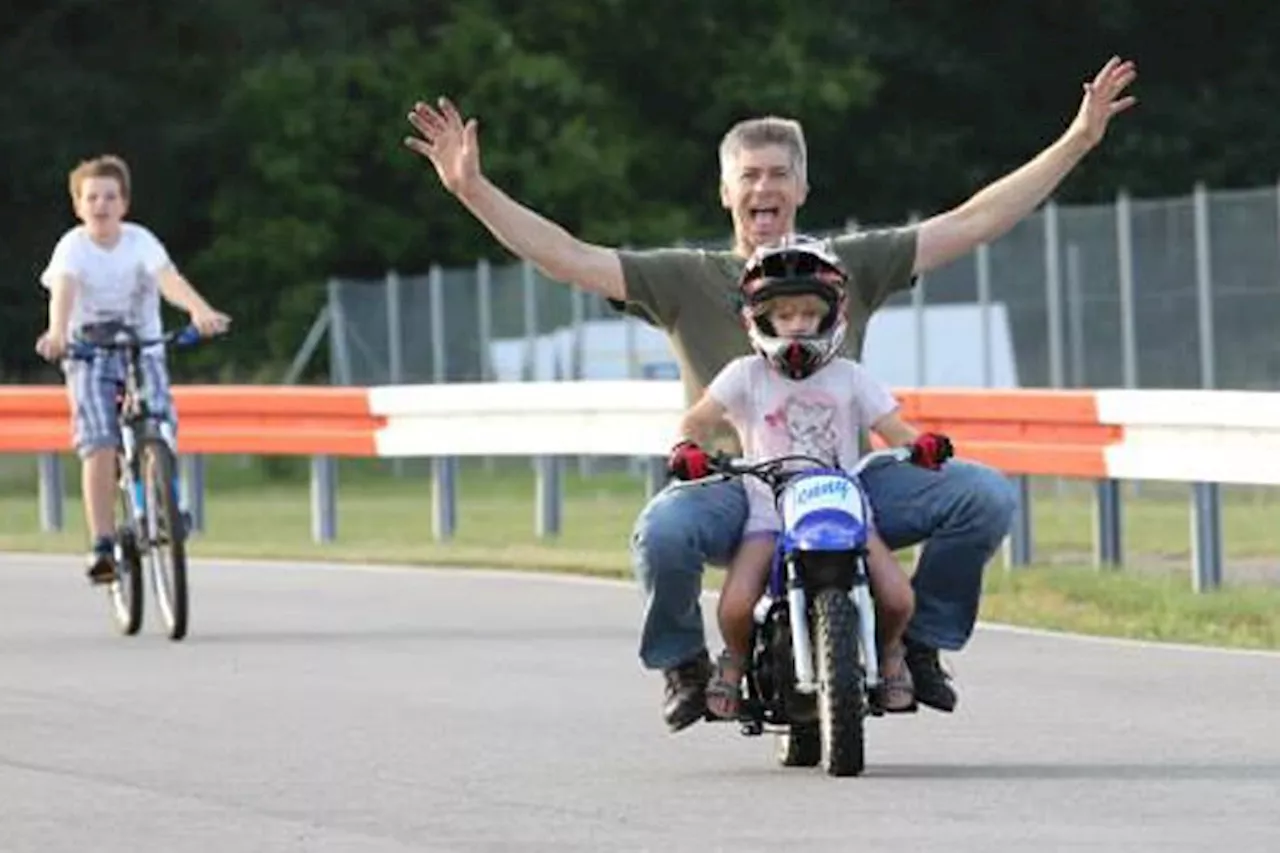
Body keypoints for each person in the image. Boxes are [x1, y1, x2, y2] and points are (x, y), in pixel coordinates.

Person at [404, 56, 1137, 731]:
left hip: (846, 479)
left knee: (983, 494)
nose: (764, 187)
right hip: (737, 485)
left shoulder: (847, 265)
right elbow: (568, 257)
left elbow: (973, 220)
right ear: (726, 191)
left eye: (779, 174)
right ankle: (687, 664)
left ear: (802, 188)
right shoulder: (685, 278)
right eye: (749, 175)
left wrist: (1076, 139)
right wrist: (473, 190)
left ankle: (917, 644)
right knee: (662, 531)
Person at [667, 238, 955, 717]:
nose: (797, 324)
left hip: (846, 507)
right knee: (736, 605)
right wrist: (686, 447)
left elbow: (894, 428)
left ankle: (890, 656)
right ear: (761, 320)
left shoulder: (850, 376)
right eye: (784, 315)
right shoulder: (745, 375)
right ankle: (734, 662)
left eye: (808, 313)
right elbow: (697, 419)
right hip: (770, 512)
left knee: (899, 596)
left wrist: (921, 445)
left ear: (830, 315)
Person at [34, 154, 231, 584]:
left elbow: (167, 280)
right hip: (89, 350)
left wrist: (202, 312)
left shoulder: (140, 241)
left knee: (159, 419)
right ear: (78, 205)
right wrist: (57, 333)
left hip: (142, 346)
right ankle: (103, 542)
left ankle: (165, 499)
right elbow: (63, 292)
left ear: (124, 203)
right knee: (99, 440)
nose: (101, 205)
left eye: (110, 196)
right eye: (92, 197)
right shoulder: (73, 248)